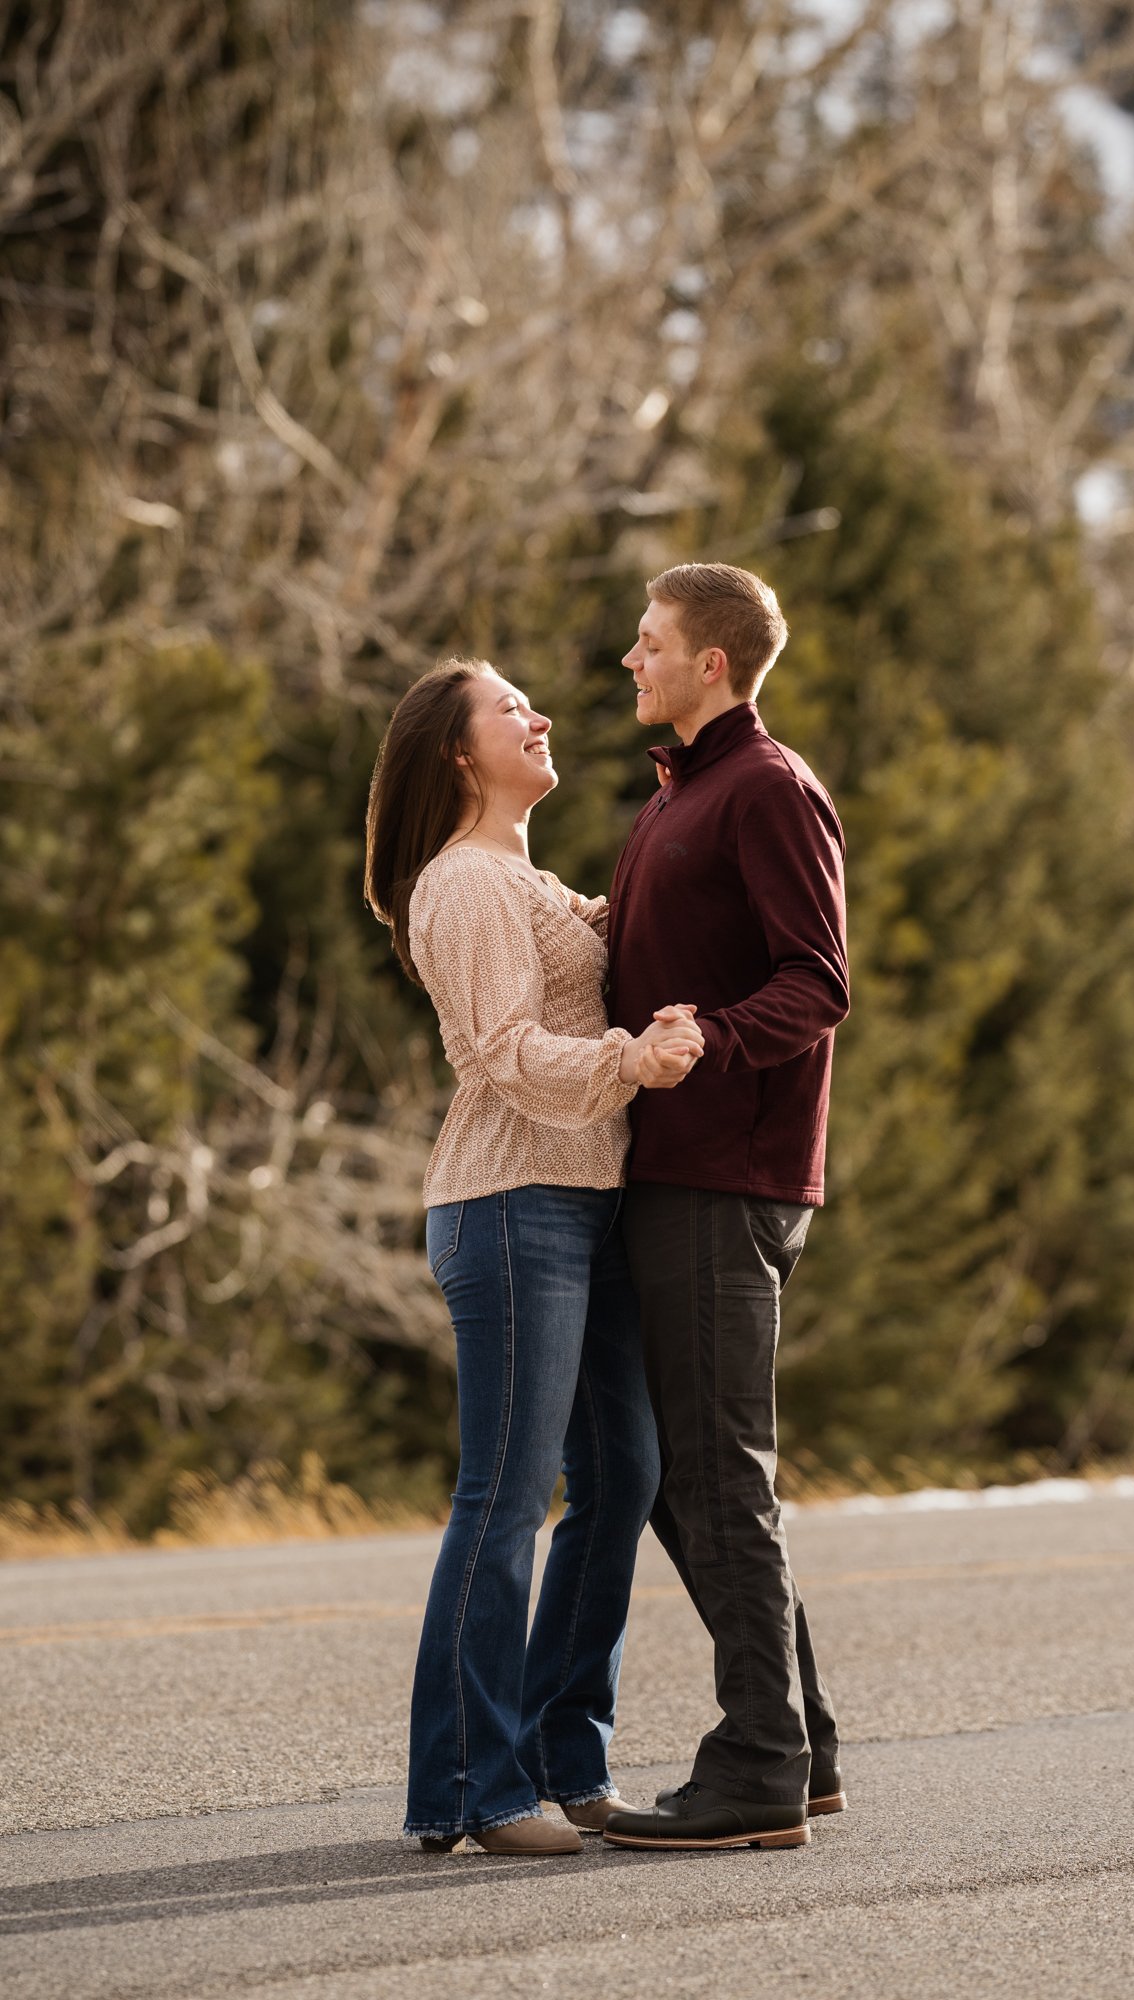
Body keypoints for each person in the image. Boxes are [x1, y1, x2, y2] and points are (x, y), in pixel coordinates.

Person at [365, 656, 703, 1857]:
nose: (540, 714)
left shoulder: (526, 878)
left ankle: (570, 1757)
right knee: (505, 1497)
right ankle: (471, 1784)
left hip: (586, 1206)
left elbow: (605, 941)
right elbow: (503, 1053)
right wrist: (630, 1058)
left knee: (623, 1477)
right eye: (511, 708)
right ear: (459, 754)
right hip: (510, 1207)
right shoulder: (460, 885)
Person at [601, 563, 850, 1853]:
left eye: (647, 643)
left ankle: (756, 1760)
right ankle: (796, 1744)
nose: (628, 659)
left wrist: (712, 1039)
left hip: (725, 1174)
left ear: (711, 662)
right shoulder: (677, 796)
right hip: (671, 1173)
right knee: (674, 1474)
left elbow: (818, 979)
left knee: (713, 1469)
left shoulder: (765, 787)